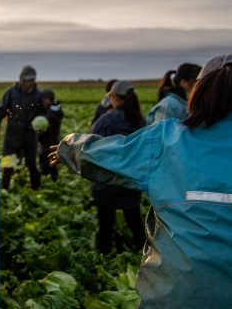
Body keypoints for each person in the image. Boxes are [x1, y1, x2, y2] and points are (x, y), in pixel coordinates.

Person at [49, 54, 232, 308]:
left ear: (199, 92)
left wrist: (68, 146)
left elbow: (109, 154)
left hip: (177, 294)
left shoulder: (169, 139)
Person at [89, 80, 145, 254]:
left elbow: (91, 146)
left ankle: (103, 257)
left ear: (113, 97)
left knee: (105, 226)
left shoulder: (106, 120)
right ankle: (144, 253)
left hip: (107, 181)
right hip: (131, 181)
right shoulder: (140, 120)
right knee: (135, 222)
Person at [0, 65, 45, 189]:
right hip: (13, 133)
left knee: (32, 164)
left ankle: (36, 189)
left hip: (30, 134)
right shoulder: (11, 93)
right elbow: (1, 110)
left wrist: (42, 122)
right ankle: (5, 188)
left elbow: (43, 112)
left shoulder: (38, 95)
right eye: (27, 80)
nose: (29, 83)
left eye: (32, 80)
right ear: (21, 80)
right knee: (8, 163)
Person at [37, 89, 64, 182]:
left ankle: (48, 180)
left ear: (48, 99)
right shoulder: (55, 108)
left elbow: (47, 126)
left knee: (46, 161)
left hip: (48, 140)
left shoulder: (51, 111)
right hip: (52, 140)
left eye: (43, 99)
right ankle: (53, 180)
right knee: (52, 162)